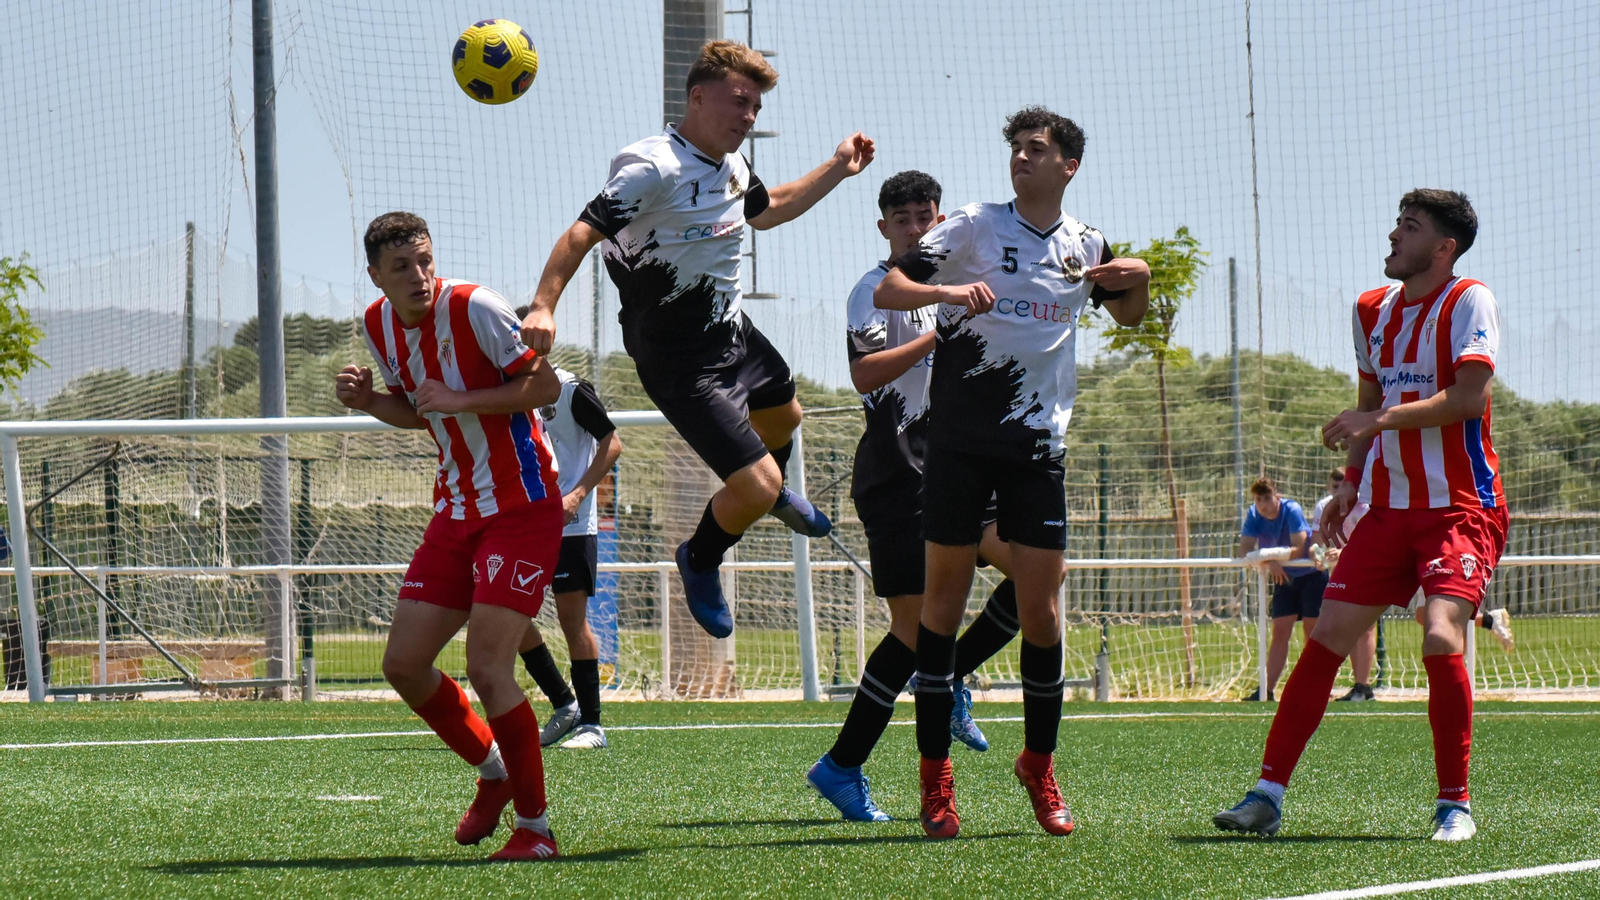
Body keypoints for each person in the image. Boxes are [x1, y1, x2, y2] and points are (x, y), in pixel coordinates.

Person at [518, 40, 875, 639]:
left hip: (733, 333)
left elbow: (768, 208)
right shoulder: (653, 167)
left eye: (756, 108)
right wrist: (544, 305)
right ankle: (702, 555)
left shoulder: (730, 165)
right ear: (698, 97)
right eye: (740, 101)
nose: (748, 117)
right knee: (755, 486)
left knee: (787, 417)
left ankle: (771, 493)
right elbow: (580, 232)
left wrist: (837, 166)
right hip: (681, 362)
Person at [875, 107, 1150, 839]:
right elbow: (889, 288)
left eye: (1038, 149)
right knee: (941, 608)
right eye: (1017, 149)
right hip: (959, 446)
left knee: (1042, 609)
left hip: (1036, 450)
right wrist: (945, 294)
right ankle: (935, 780)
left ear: (1070, 165)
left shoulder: (1085, 244)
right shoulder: (971, 225)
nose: (1022, 157)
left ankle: (1039, 762)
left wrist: (1142, 277)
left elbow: (1128, 317)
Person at [1215, 189, 1504, 842]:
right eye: (1397, 222)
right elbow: (1370, 398)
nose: (1395, 234)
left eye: (1411, 226)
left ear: (1444, 247)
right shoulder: (1371, 310)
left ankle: (1453, 805)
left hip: (1459, 510)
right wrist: (1350, 483)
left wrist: (1376, 419)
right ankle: (1266, 796)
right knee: (1324, 643)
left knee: (1439, 632)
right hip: (1387, 511)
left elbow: (1466, 398)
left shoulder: (1468, 301)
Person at [337, 212, 564, 860]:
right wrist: (369, 403)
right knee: (403, 665)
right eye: (402, 267)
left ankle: (537, 831)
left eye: (425, 260)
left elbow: (544, 385)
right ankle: (492, 770)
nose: (419, 275)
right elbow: (418, 411)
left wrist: (462, 400)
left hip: (523, 506)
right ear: (376, 276)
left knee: (488, 666)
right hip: (457, 510)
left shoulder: (476, 308)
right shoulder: (378, 325)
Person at [807, 171, 1024, 822]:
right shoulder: (875, 292)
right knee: (910, 630)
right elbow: (864, 373)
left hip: (961, 462)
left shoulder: (958, 287)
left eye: (925, 216)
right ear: (884, 228)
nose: (915, 227)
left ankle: (954, 675)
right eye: (902, 218)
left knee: (1035, 568)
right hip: (898, 471)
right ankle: (843, 766)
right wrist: (941, 336)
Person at [507, 357, 623, 750]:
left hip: (569, 525)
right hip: (524, 520)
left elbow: (613, 443)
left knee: (572, 621)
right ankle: (563, 704)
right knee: (505, 610)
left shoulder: (570, 389)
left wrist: (577, 494)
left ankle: (593, 725)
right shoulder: (510, 391)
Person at [1239, 477, 1322, 702]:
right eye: (1258, 499)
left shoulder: (1291, 509)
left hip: (1311, 576)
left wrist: (1269, 556)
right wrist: (1269, 562)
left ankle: (1312, 688)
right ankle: (1265, 690)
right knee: (1279, 633)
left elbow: (1299, 547)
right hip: (1283, 578)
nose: (1263, 504)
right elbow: (1245, 550)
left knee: (1312, 634)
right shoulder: (1254, 514)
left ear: (1277, 496)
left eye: (1267, 498)